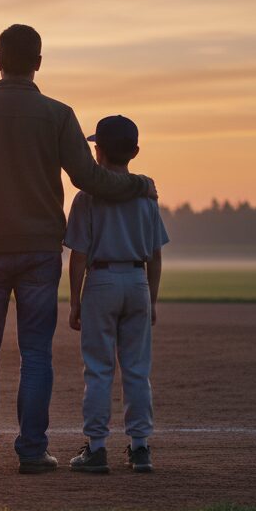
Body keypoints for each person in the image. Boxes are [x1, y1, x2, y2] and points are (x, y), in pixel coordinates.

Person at [0, 25, 158, 475]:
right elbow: (89, 179)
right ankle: (33, 451)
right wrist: (138, 184)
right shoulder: (58, 115)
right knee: (35, 352)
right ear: (38, 62)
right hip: (40, 250)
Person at [64, 114, 168, 474]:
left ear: (98, 152)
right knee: (137, 370)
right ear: (135, 151)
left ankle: (96, 447)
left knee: (98, 370)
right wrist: (151, 299)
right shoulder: (147, 197)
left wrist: (75, 301)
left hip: (102, 280)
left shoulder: (87, 198)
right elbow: (155, 256)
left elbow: (78, 255)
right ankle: (140, 448)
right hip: (137, 280)